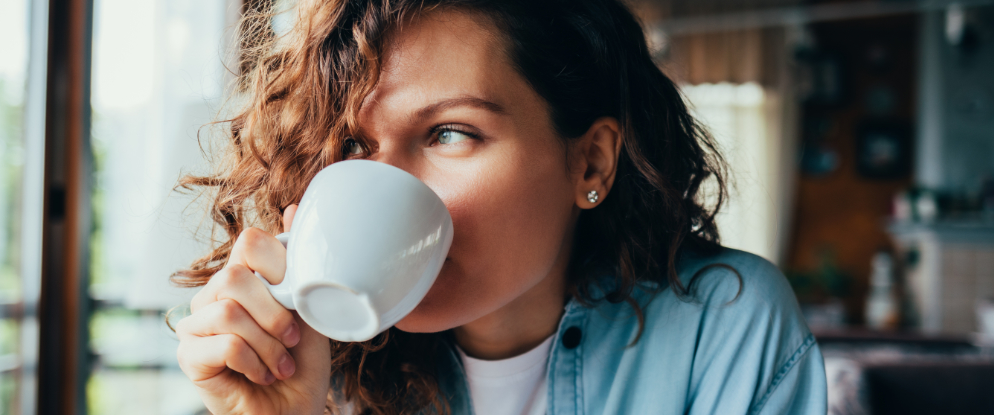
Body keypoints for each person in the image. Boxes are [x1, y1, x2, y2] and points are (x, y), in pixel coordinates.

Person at [172, 0, 828, 414]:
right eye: (352, 143)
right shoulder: (311, 363)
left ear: (590, 162)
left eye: (450, 133)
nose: (384, 184)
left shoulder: (723, 327)